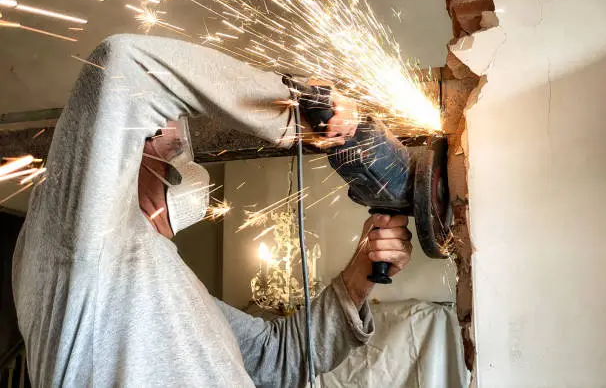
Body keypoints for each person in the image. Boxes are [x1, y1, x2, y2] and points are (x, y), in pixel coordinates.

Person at [12, 34, 413, 387]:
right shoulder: (73, 223)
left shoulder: (160, 279)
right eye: (168, 147)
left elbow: (278, 359)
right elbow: (123, 64)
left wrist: (361, 274)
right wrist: (300, 110)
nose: (186, 162)